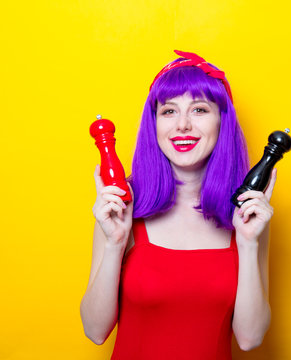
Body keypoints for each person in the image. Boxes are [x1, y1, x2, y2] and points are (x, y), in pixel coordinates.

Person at [80, 50, 277, 360]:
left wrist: (249, 243)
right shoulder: (122, 207)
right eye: (169, 111)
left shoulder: (247, 215)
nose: (182, 125)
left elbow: (250, 338)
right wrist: (114, 243)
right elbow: (94, 330)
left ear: (222, 122)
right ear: (154, 124)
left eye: (199, 109)